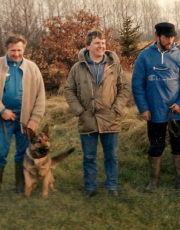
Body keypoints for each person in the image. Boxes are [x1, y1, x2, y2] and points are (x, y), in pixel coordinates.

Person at [64, 29, 130, 197]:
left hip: (110, 118)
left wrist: (116, 109)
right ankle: (90, 187)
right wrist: (79, 111)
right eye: (97, 43)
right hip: (87, 119)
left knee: (112, 156)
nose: (101, 46)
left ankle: (112, 186)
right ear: (87, 46)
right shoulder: (77, 68)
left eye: (103, 43)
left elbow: (124, 88)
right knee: (89, 157)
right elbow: (69, 90)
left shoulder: (115, 66)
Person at [0, 34, 45, 199]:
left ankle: (21, 186)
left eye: (19, 50)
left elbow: (40, 96)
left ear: (24, 49)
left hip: (24, 120)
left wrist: (35, 118)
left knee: (23, 153)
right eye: (13, 50)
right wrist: (2, 110)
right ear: (6, 50)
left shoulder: (32, 68)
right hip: (2, 119)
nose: (16, 53)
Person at [132, 22, 180, 192]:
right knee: (156, 146)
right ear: (157, 36)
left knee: (179, 146)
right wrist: (143, 108)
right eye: (167, 37)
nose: (170, 40)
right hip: (154, 113)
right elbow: (137, 85)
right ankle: (154, 182)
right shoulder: (144, 57)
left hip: (176, 113)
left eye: (173, 37)